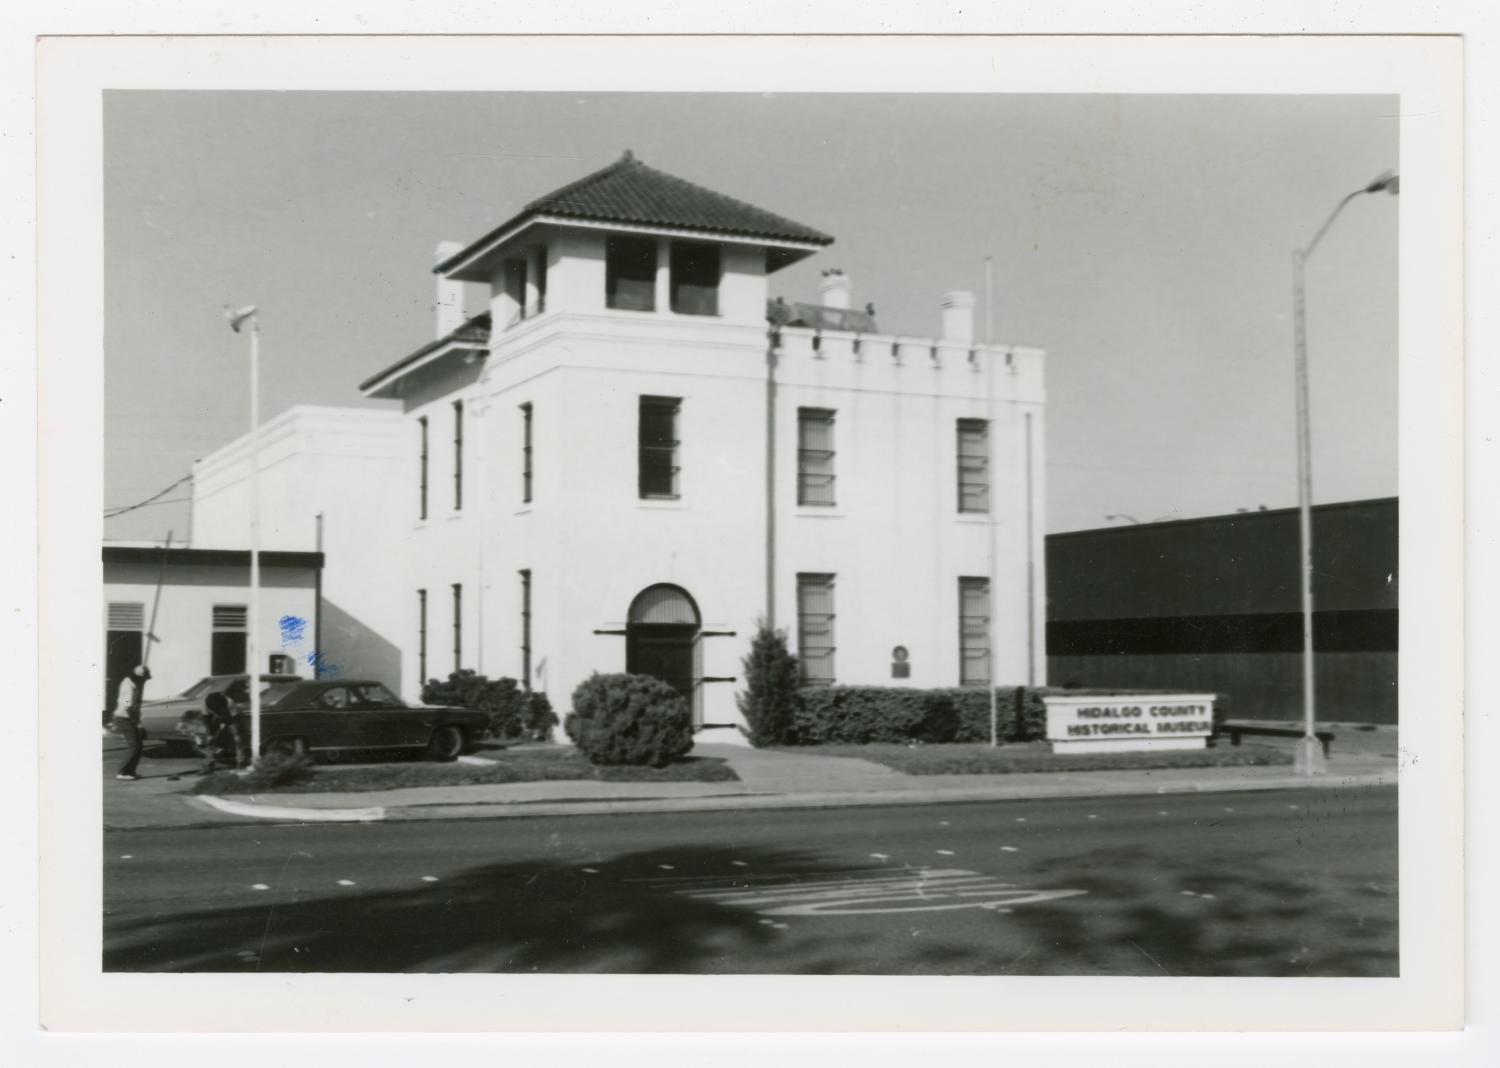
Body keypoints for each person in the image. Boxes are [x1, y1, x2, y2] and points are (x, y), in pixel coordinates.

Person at [112, 664, 151, 781]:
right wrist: (136, 722)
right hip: (124, 717)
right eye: (144, 678)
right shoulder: (128, 685)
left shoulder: (133, 684)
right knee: (134, 745)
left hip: (129, 717)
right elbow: (127, 704)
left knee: (138, 745)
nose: (145, 681)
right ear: (139, 677)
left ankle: (130, 771)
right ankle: (122, 772)